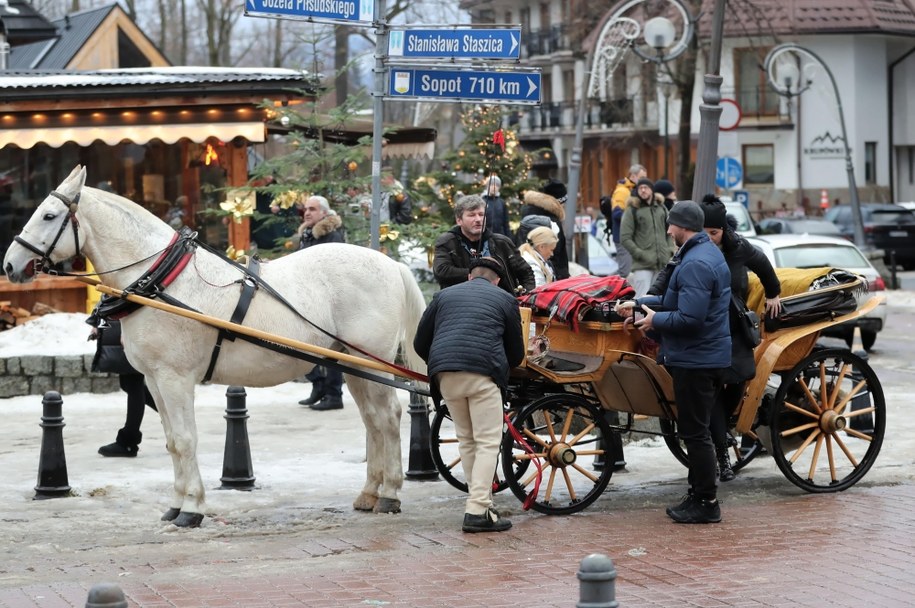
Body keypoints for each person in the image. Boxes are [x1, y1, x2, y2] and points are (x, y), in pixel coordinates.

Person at [617, 200, 731, 524]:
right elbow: (675, 301)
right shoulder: (700, 254)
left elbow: (690, 318)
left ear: (684, 227)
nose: (668, 231)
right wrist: (638, 304)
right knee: (695, 431)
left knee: (695, 433)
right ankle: (698, 494)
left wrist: (654, 321)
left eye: (671, 225)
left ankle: (707, 502)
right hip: (699, 355)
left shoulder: (695, 262)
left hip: (697, 359)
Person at [414, 257, 525, 533]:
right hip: (482, 374)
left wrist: (443, 362)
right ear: (497, 280)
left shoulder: (443, 295)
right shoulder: (505, 299)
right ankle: (477, 510)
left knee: (467, 440)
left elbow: (419, 342)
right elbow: (517, 353)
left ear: (469, 277)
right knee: (488, 442)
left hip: (444, 375)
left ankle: (480, 505)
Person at [698, 196, 781, 481]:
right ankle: (721, 455)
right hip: (705, 329)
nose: (709, 238)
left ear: (723, 230)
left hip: (735, 328)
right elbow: (668, 273)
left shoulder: (739, 247)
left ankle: (725, 434)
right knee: (710, 391)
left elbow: (765, 267)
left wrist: (773, 295)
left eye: (714, 232)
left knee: (736, 383)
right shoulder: (691, 248)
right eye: (704, 232)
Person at [296, 195, 347, 411]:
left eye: (313, 209)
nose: (307, 213)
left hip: (328, 300)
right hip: (307, 296)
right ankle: (318, 384)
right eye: (306, 209)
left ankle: (334, 395)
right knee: (302, 343)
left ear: (324, 213)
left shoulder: (332, 235)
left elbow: (334, 269)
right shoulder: (306, 234)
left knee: (332, 349)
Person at [433, 194, 535, 295]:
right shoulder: (447, 242)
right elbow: (442, 271)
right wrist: (483, 272)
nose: (478, 219)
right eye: (472, 215)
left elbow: (526, 272)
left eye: (481, 214)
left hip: (501, 302)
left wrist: (526, 296)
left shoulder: (502, 242)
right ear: (459, 220)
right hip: (460, 301)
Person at [87, 310, 157, 458]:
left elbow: (129, 295)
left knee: (133, 384)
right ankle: (172, 415)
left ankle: (128, 442)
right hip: (122, 328)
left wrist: (127, 332)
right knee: (128, 383)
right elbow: (108, 297)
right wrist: (98, 322)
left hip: (129, 331)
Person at [620, 178, 674, 298]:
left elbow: (670, 231)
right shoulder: (632, 210)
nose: (643, 190)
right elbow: (625, 237)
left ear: (652, 190)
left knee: (659, 300)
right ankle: (639, 318)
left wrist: (670, 249)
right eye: (640, 188)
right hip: (642, 265)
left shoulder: (661, 208)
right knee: (642, 300)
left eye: (646, 188)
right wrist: (640, 254)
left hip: (662, 263)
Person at [602, 164, 647, 278]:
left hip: (630, 236)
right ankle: (602, 286)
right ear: (632, 176)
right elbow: (617, 214)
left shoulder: (633, 190)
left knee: (628, 271)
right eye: (641, 178)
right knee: (625, 272)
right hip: (623, 237)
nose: (644, 181)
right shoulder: (622, 191)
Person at [519, 179, 570, 280]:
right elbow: (556, 252)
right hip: (550, 276)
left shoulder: (529, 214)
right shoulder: (551, 221)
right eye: (563, 203)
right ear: (558, 202)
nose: (564, 206)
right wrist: (561, 276)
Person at [481, 174, 511, 238]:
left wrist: (508, 237)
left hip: (500, 236)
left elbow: (506, 223)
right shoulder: (482, 201)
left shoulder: (502, 202)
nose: (494, 187)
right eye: (491, 185)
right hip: (485, 236)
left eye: (497, 185)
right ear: (487, 186)